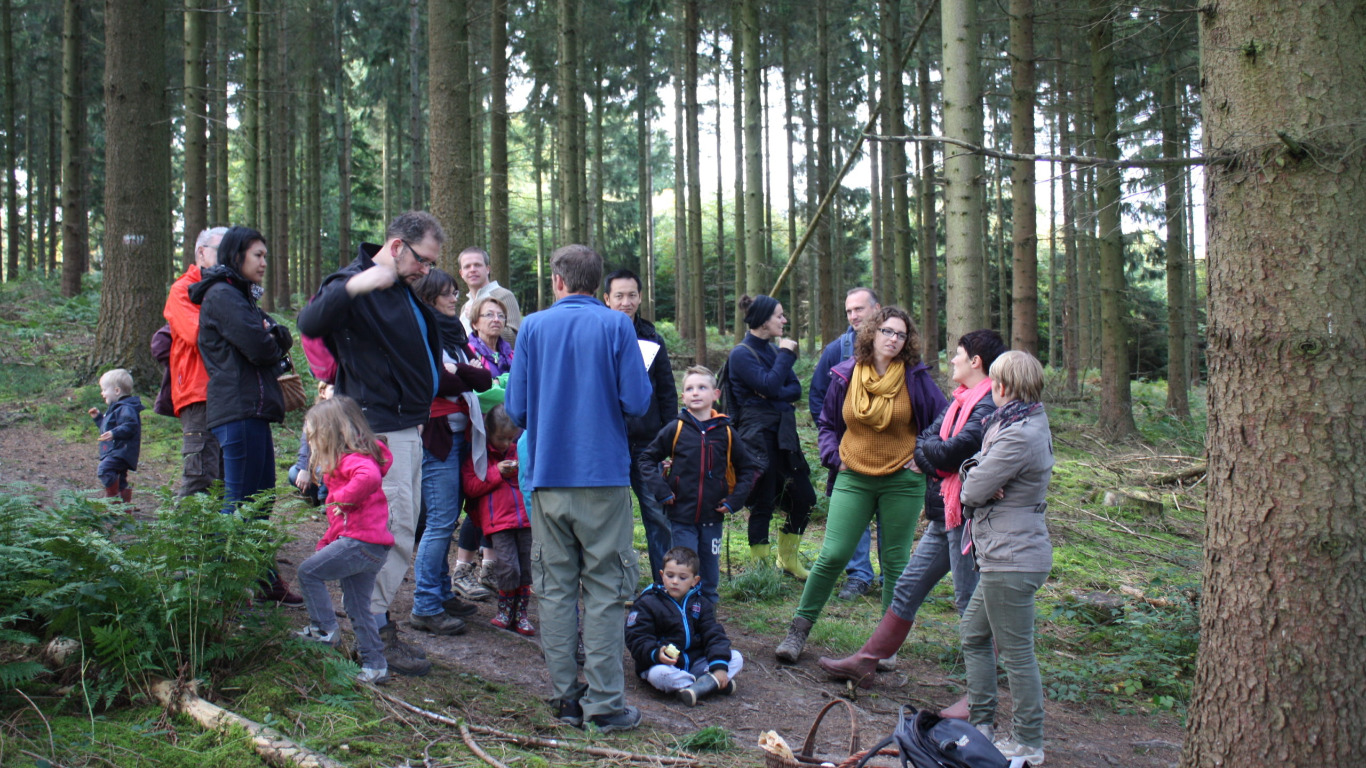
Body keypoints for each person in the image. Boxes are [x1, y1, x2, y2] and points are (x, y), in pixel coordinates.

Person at [505, 243, 651, 733]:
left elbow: (517, 409)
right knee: (606, 590)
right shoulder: (617, 326)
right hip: (603, 477)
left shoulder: (532, 327)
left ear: (558, 281)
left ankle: (566, 698)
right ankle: (605, 705)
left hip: (547, 477)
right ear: (598, 283)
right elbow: (637, 401)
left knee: (555, 589)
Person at [297, 211, 445, 676]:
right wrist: (360, 285)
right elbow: (310, 321)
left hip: (404, 426)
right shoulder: (355, 282)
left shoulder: (400, 286)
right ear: (397, 246)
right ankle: (373, 629)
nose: (426, 270)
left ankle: (373, 621)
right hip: (380, 428)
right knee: (389, 532)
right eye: (422, 260)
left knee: (404, 526)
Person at [818, 330, 1005, 694]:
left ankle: (982, 692)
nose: (952, 360)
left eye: (958, 354)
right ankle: (867, 661)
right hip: (944, 513)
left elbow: (948, 452)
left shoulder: (985, 406)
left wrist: (933, 456)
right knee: (906, 587)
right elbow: (928, 442)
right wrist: (934, 456)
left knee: (968, 601)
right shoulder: (960, 400)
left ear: (975, 362)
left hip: (967, 518)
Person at [774, 307, 947, 664]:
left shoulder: (915, 377)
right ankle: (798, 631)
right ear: (872, 333)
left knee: (895, 560)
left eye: (901, 334)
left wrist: (924, 459)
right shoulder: (846, 374)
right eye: (887, 331)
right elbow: (827, 422)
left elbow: (946, 420)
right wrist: (833, 457)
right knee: (833, 554)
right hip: (853, 475)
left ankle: (885, 649)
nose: (893, 339)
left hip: (902, 480)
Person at [190, 225, 299, 605]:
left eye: (265, 255)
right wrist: (272, 337)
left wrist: (274, 335)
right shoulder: (223, 296)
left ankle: (263, 578)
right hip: (237, 408)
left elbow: (279, 336)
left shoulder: (239, 296)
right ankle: (218, 592)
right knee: (239, 501)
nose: (264, 262)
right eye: (258, 255)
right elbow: (262, 347)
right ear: (236, 256)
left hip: (252, 409)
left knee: (260, 499)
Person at [956, 351, 1053, 765]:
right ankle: (981, 725)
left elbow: (971, 491)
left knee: (1015, 651)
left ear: (1003, 386)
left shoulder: (1018, 434)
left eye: (993, 382)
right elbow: (977, 477)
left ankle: (1028, 742)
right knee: (974, 633)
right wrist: (977, 474)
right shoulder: (1016, 422)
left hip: (1012, 557)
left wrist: (976, 478)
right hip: (1005, 553)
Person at [407, 267, 493, 636]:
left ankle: (441, 592)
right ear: (429, 296)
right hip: (437, 438)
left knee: (447, 520)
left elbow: (484, 378)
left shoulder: (454, 334)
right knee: (440, 522)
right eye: (447, 293)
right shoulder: (420, 332)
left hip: (460, 436)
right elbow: (436, 381)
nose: (455, 298)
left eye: (456, 292)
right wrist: (460, 372)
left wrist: (457, 369)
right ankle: (425, 604)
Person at [636, 365, 760, 606]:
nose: (695, 392)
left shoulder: (726, 432)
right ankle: (680, 619)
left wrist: (735, 500)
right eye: (690, 388)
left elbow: (747, 468)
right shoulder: (676, 428)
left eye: (702, 387)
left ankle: (707, 620)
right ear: (683, 396)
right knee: (683, 573)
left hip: (713, 518)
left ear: (715, 394)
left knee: (709, 576)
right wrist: (662, 491)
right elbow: (646, 459)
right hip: (681, 517)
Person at [293, 395, 395, 686]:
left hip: (360, 543)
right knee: (357, 606)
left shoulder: (353, 460)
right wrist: (328, 541)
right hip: (370, 544)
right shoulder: (349, 461)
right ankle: (375, 665)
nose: (313, 444)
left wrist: (342, 498)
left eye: (314, 437)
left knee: (308, 573)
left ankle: (324, 629)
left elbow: (369, 478)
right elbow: (341, 519)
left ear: (332, 433)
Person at [727, 294, 817, 580]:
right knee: (763, 501)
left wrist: (769, 391)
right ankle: (761, 571)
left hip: (783, 435)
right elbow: (770, 384)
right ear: (764, 320)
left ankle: (787, 560)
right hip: (756, 436)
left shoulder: (773, 352)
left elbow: (794, 390)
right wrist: (786, 357)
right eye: (779, 315)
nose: (784, 320)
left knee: (805, 497)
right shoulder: (741, 354)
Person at [809, 287, 884, 601]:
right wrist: (833, 444)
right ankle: (859, 576)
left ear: (876, 309)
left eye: (859, 309)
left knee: (889, 514)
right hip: (849, 452)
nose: (853, 316)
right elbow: (817, 398)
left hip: (890, 451)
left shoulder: (897, 346)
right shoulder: (836, 351)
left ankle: (892, 578)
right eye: (849, 311)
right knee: (854, 514)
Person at [605, 268, 677, 584]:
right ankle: (616, 583)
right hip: (610, 442)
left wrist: (670, 440)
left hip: (649, 443)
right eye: (619, 295)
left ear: (640, 297)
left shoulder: (652, 338)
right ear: (606, 299)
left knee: (658, 514)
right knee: (611, 517)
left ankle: (667, 584)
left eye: (632, 295)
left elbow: (667, 392)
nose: (626, 302)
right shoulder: (599, 335)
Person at [625, 546, 743, 707]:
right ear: (662, 575)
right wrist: (656, 653)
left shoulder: (701, 603)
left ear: (694, 581)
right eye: (670, 575)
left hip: (695, 663)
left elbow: (714, 635)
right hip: (665, 665)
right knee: (660, 675)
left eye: (682, 577)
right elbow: (636, 637)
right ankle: (709, 684)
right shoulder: (648, 602)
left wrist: (719, 667)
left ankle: (696, 686)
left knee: (736, 658)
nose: (675, 581)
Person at [164, 226, 227, 497]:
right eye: (222, 251)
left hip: (229, 393)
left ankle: (218, 527)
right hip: (198, 393)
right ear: (201, 253)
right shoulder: (182, 289)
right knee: (200, 476)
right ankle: (183, 526)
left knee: (226, 478)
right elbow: (198, 334)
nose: (229, 258)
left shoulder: (232, 290)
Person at [462, 404, 535, 636]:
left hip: (525, 520)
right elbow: (471, 486)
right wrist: (497, 472)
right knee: (507, 566)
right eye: (501, 438)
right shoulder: (479, 457)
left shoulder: (519, 450)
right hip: (499, 523)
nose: (506, 443)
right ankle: (504, 610)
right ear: (489, 432)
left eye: (510, 438)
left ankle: (521, 613)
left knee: (526, 567)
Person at [88, 368, 143, 505]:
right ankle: (124, 509)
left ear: (117, 391)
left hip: (121, 451)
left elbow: (130, 426)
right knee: (121, 479)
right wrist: (98, 419)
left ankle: (113, 499)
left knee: (105, 469)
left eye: (104, 390)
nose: (102, 393)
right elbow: (108, 429)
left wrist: (114, 433)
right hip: (117, 450)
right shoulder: (116, 408)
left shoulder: (126, 408)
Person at [457, 246, 522, 344]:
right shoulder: (465, 308)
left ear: (487, 269)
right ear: (461, 273)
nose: (472, 269)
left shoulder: (504, 296)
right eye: (467, 266)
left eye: (477, 265)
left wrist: (477, 319)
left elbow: (514, 338)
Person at [289, 381, 334, 506]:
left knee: (329, 468)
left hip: (337, 465)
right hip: (317, 464)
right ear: (322, 392)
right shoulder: (315, 415)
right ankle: (315, 496)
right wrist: (305, 468)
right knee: (294, 473)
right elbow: (306, 444)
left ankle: (325, 499)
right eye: (333, 389)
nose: (337, 392)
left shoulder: (347, 412)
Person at [468, 296, 515, 375]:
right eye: (489, 314)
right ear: (475, 324)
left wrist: (500, 380)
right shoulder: (469, 353)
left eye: (501, 315)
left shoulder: (511, 355)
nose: (496, 319)